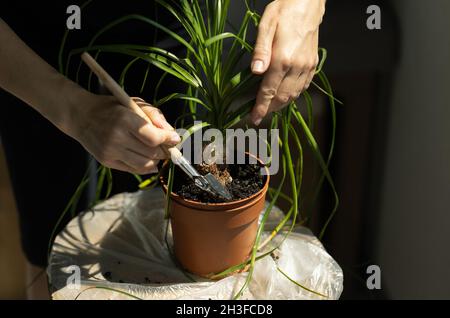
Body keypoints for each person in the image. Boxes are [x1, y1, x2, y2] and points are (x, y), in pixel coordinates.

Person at [0, 0, 325, 299]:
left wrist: (305, 6)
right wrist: (73, 112)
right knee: (51, 236)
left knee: (159, 205)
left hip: (163, 24)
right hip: (30, 41)